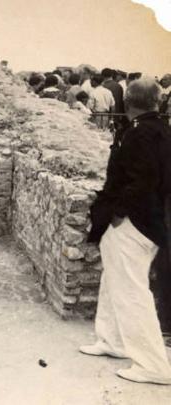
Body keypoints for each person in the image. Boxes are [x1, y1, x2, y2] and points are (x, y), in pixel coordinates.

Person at [82, 77, 171, 385]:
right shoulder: (161, 130)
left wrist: (119, 212)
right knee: (114, 281)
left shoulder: (139, 134)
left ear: (128, 103)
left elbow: (142, 181)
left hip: (134, 222)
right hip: (149, 220)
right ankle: (112, 340)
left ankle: (153, 365)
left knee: (132, 291)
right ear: (156, 102)